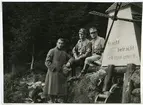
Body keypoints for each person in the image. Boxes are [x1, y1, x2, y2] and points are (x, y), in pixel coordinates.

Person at [43, 38, 70, 103]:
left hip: (61, 73)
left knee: (60, 91)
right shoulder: (52, 51)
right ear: (57, 43)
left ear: (63, 44)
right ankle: (52, 101)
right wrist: (54, 68)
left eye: (62, 43)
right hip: (53, 73)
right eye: (59, 43)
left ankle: (58, 101)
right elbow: (47, 62)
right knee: (52, 90)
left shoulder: (64, 53)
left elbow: (71, 58)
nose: (60, 45)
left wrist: (69, 62)